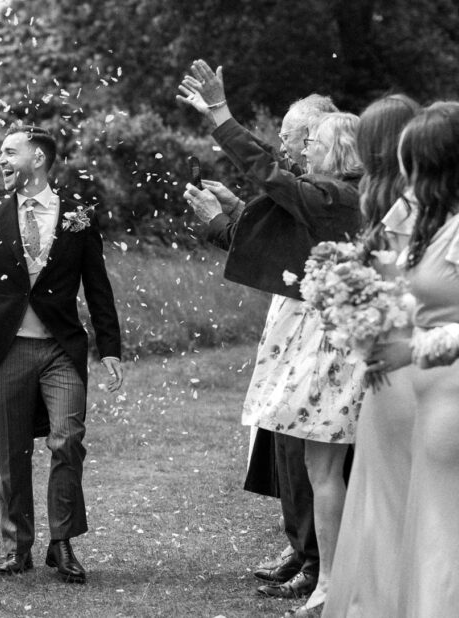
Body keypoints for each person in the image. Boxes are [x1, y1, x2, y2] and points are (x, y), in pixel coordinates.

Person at [179, 61, 365, 618]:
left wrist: (221, 116)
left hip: (328, 343)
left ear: (335, 149)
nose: (299, 153)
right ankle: (316, 564)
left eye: (309, 143)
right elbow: (275, 218)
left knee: (319, 465)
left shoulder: (339, 196)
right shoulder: (333, 194)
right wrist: (232, 215)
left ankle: (323, 570)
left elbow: (272, 177)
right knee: (304, 458)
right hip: (313, 336)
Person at [0, 124, 124, 584]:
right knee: (13, 451)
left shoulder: (78, 216)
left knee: (67, 440)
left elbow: (97, 286)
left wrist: (110, 348)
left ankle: (61, 542)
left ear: (37, 159)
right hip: (5, 351)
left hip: (61, 350)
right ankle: (17, 546)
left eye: (8, 152)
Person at [356, 102, 459, 616]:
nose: (405, 179)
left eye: (413, 167)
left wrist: (411, 347)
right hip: (430, 398)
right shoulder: (436, 227)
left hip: (451, 395)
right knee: (433, 537)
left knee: (445, 541)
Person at [320, 95, 419, 617]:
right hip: (396, 362)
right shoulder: (398, 206)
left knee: (388, 496)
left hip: (398, 364)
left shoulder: (399, 210)